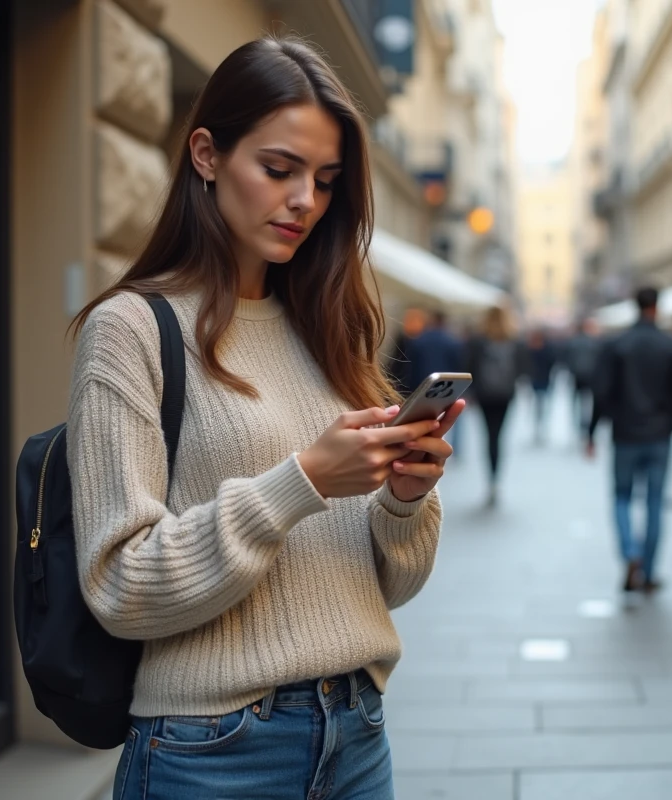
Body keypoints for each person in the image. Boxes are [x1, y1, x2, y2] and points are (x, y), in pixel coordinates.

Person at [67, 37, 461, 800]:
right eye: (279, 170)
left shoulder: (331, 329)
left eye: (325, 179)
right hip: (210, 751)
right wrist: (303, 481)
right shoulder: (130, 329)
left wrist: (403, 499)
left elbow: (394, 584)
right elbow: (120, 586)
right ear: (207, 155)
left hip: (358, 732)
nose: (305, 201)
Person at [586, 287, 672, 594]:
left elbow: (601, 392)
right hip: (660, 434)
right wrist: (671, 415)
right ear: (657, 307)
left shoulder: (616, 345)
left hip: (626, 433)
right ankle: (648, 569)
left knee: (622, 496)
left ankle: (630, 554)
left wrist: (592, 432)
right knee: (655, 502)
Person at [466, 305, 523, 507]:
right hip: (505, 395)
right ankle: (496, 479)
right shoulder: (514, 340)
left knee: (488, 435)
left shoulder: (478, 340)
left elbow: (468, 366)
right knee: (499, 435)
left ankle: (490, 480)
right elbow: (522, 368)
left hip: (484, 394)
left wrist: (470, 393)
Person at [402, 309, 466, 452]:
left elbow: (411, 367)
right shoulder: (453, 341)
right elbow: (460, 366)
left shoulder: (419, 341)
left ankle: (422, 446)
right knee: (453, 416)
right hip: (448, 387)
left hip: (422, 386)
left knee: (423, 419)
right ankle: (453, 448)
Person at [563, 318, 602, 434]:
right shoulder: (592, 342)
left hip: (577, 375)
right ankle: (584, 421)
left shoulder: (573, 342)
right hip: (589, 375)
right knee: (587, 400)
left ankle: (579, 422)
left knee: (577, 400)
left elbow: (568, 359)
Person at [526, 327, 557, 445]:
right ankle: (539, 428)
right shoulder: (544, 349)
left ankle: (539, 428)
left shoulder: (533, 348)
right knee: (540, 405)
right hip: (541, 380)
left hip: (541, 380)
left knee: (540, 405)